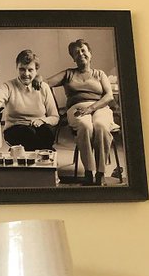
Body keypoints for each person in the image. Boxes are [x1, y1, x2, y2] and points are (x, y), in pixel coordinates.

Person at [45, 39, 117, 186]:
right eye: (76, 52)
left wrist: (91, 109)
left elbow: (109, 96)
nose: (80, 54)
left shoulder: (99, 74)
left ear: (90, 54)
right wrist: (38, 79)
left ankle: (101, 173)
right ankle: (89, 172)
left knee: (101, 126)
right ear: (73, 58)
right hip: (77, 108)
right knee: (85, 126)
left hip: (100, 107)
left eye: (83, 50)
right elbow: (45, 83)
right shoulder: (68, 74)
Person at [0, 49, 58, 152]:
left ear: (36, 71)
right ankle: (44, 155)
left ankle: (39, 158)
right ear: (16, 68)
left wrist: (42, 120)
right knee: (30, 134)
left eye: (30, 70)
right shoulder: (8, 86)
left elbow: (55, 117)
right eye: (22, 69)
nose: (26, 74)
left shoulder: (44, 87)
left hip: (39, 127)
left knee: (47, 132)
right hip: (15, 129)